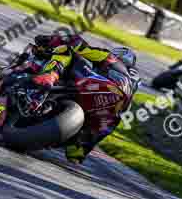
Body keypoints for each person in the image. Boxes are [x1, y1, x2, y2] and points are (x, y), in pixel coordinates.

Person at [26, 33, 141, 164]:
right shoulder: (130, 90)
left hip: (95, 89)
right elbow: (109, 126)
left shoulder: (112, 60)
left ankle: (49, 77)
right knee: (81, 146)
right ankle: (80, 146)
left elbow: (80, 46)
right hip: (107, 113)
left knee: (66, 50)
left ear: (119, 56)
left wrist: (56, 39)